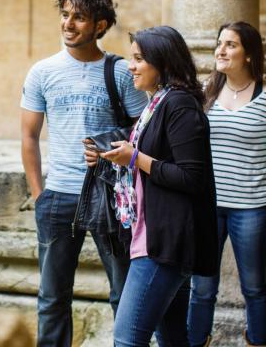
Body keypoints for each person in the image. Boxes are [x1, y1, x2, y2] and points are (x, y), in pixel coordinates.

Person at [20, 0, 149, 347]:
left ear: (101, 25)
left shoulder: (121, 72)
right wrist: (38, 193)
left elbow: (141, 131)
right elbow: (29, 137)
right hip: (58, 196)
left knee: (122, 291)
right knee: (52, 297)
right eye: (65, 15)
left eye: (79, 17)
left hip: (110, 196)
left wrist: (109, 147)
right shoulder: (42, 72)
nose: (68, 23)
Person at [95, 26, 218, 347]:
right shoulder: (158, 104)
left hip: (165, 244)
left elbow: (192, 177)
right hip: (153, 237)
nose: (130, 66)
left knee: (126, 339)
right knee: (172, 338)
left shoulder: (179, 105)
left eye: (138, 59)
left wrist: (135, 157)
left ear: (162, 62)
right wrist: (113, 156)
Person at [187, 22, 266, 347]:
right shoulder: (206, 90)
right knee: (202, 287)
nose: (220, 50)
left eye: (230, 44)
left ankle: (259, 341)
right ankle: (195, 342)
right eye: (219, 43)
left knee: (253, 286)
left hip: (253, 208)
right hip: (208, 206)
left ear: (249, 54)